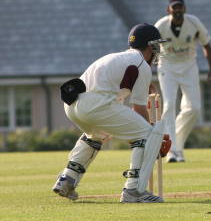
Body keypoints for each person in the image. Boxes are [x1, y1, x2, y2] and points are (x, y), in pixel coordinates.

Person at [52, 24, 171, 203]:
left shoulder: (117, 57)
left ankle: (67, 179)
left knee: (97, 135)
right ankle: (133, 190)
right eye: (156, 46)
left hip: (72, 104)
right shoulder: (141, 64)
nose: (157, 51)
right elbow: (139, 109)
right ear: (150, 46)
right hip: (96, 104)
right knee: (147, 135)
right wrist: (153, 138)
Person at [154, 0, 211, 163]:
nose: (178, 11)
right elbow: (151, 47)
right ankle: (172, 151)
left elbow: (207, 45)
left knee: (194, 108)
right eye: (174, 8)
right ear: (169, 10)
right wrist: (148, 69)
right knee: (169, 105)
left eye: (180, 7)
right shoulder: (161, 26)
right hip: (167, 67)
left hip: (189, 66)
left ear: (184, 8)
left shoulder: (193, 23)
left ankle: (177, 145)